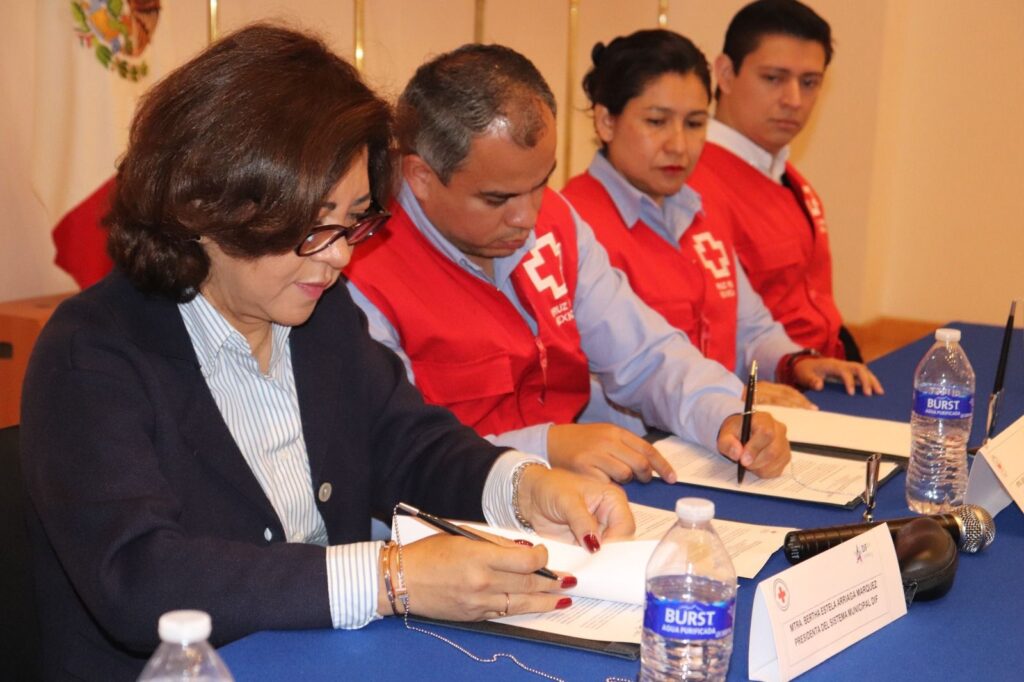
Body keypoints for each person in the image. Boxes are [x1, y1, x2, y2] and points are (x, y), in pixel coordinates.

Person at [19, 26, 633, 680]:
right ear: (205, 206)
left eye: (354, 220)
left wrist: (523, 486)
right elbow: (140, 577)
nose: (339, 255)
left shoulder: (319, 312)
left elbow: (406, 442)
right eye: (314, 226)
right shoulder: (93, 352)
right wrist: (390, 577)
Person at [344, 44, 791, 485]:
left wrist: (725, 413)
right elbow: (402, 454)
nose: (527, 217)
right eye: (497, 199)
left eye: (541, 182)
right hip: (452, 511)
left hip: (573, 495)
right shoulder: (360, 267)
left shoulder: (557, 223)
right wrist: (547, 448)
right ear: (421, 177)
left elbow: (644, 354)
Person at [562, 29, 881, 405]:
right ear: (606, 122)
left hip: (724, 422)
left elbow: (751, 328)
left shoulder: (702, 209)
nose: (679, 145)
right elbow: (593, 384)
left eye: (695, 124)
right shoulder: (573, 227)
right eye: (657, 121)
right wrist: (729, 398)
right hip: (655, 433)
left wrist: (795, 362)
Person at [688, 0, 861, 361]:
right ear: (725, 74)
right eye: (773, 78)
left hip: (824, 368)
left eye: (809, 82)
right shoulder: (690, 183)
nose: (794, 100)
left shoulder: (787, 176)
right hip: (765, 379)